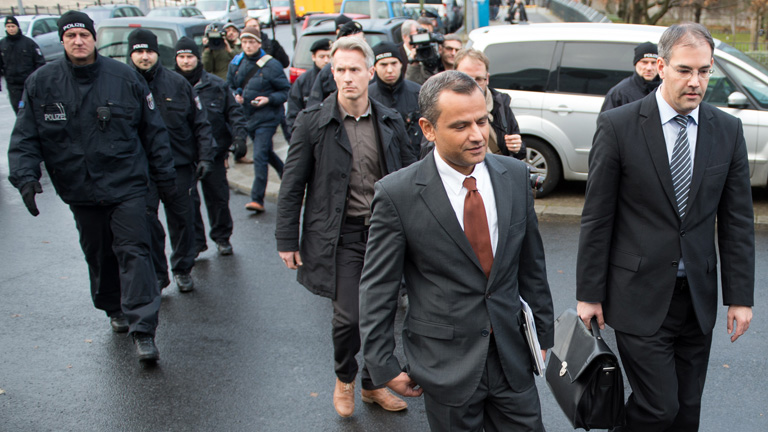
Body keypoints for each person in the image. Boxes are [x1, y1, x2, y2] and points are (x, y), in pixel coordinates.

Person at [577, 23, 754, 431]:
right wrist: (589, 294)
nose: (696, 82)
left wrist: (740, 297)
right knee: (659, 408)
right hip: (637, 295)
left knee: (687, 411)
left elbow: (737, 220)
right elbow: (597, 216)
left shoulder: (727, 130)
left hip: (697, 300)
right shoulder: (619, 125)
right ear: (660, 66)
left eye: (705, 71)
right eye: (685, 70)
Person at [359, 70, 554, 431]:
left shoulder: (513, 175)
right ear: (428, 128)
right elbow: (378, 288)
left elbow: (531, 265)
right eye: (461, 126)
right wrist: (382, 364)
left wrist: (542, 335)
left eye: (482, 121)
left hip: (512, 357)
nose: (478, 135)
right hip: (445, 364)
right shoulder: (397, 194)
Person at [7, 11, 176, 362]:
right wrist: (25, 177)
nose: (78, 41)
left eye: (84, 34)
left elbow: (154, 131)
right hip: (80, 189)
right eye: (71, 36)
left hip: (126, 184)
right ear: (62, 40)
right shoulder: (41, 83)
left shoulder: (125, 77)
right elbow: (26, 137)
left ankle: (143, 329)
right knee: (99, 254)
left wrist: (165, 180)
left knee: (135, 252)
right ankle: (113, 306)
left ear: (94, 38)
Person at [275, 37, 416, 418]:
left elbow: (411, 178)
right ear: (332, 73)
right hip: (340, 237)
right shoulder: (312, 123)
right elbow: (291, 186)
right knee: (350, 317)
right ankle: (345, 378)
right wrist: (286, 239)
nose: (347, 78)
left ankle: (373, 384)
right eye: (340, 70)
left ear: (369, 73)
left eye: (355, 70)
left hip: (385, 235)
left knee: (383, 312)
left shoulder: (388, 121)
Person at [129, 28, 216, 292]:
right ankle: (158, 274)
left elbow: (200, 124)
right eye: (139, 52)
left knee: (183, 220)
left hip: (178, 166)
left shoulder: (178, 84)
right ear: (131, 54)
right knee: (148, 224)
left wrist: (205, 156)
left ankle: (182, 267)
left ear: (158, 53)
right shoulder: (123, 83)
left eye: (149, 52)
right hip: (140, 170)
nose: (145, 57)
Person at [175, 37, 248, 256]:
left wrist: (239, 138)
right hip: (184, 155)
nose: (186, 62)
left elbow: (234, 113)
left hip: (215, 151)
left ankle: (222, 236)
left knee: (218, 198)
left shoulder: (216, 85)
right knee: (188, 203)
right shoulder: (170, 86)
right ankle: (196, 242)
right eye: (181, 57)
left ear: (198, 59)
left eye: (190, 57)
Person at [227, 27, 290, 213]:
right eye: (245, 42)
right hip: (247, 117)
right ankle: (287, 174)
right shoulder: (236, 63)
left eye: (251, 42)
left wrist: (268, 99)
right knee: (266, 152)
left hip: (268, 118)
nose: (248, 45)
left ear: (259, 43)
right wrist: (236, 95)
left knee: (259, 155)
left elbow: (285, 91)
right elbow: (231, 85)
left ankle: (257, 199)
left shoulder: (272, 65)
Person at [454, 48, 525, 159]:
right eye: (466, 78)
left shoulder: (501, 104)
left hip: (497, 172)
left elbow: (518, 151)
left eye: (478, 79)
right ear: (455, 78)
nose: (472, 85)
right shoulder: (445, 106)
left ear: (487, 78)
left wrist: (517, 147)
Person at [368, 41, 422, 158]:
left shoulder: (418, 93)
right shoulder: (367, 97)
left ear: (401, 64)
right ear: (374, 68)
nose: (390, 70)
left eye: (394, 63)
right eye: (383, 65)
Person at [305, 19, 365, 108]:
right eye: (341, 71)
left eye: (361, 41)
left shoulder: (375, 65)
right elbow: (314, 105)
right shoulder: (327, 72)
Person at [0, 15, 45, 114]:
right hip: (13, 86)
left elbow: (40, 63)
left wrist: (39, 81)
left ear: (17, 27)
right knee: (19, 111)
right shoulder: (2, 44)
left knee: (33, 109)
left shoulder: (28, 43)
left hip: (29, 83)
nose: (11, 29)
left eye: (13, 26)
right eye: (8, 26)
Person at [286, 37, 331, 132]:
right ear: (313, 57)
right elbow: (293, 113)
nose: (326, 61)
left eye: (329, 56)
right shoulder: (302, 81)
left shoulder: (339, 78)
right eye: (322, 57)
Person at [601, 42, 661, 112]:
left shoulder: (665, 90)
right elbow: (606, 121)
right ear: (635, 64)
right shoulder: (620, 93)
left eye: (654, 63)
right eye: (644, 62)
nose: (649, 68)